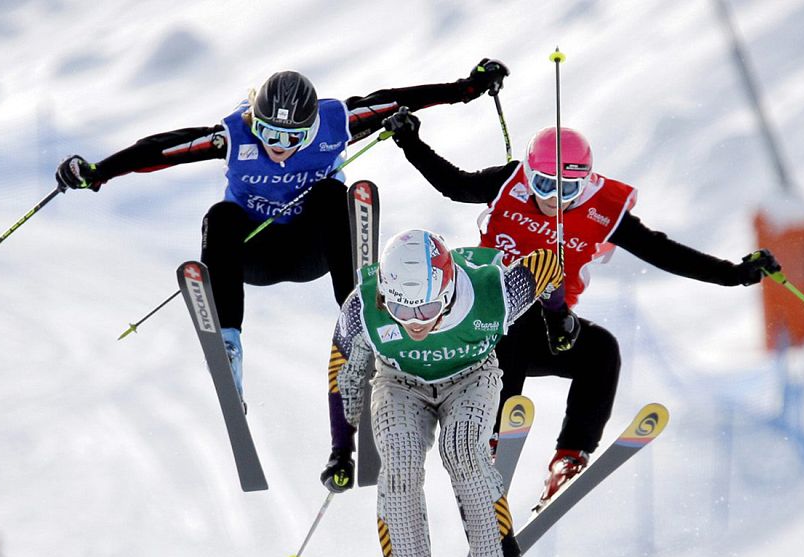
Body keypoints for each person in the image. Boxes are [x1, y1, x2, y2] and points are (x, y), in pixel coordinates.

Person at [382, 111, 779, 505]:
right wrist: (410, 141)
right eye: (543, 184)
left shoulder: (604, 210)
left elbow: (661, 251)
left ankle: (569, 457)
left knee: (602, 350)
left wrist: (733, 274)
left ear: (586, 182)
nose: (554, 198)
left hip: (552, 324)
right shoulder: (508, 183)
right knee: (516, 320)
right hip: (481, 324)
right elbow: (455, 184)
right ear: (527, 173)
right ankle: (489, 437)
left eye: (567, 189)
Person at [53, 61, 509, 395]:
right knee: (219, 217)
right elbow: (160, 148)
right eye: (270, 135)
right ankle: (229, 344)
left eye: (295, 139)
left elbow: (400, 96)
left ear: (313, 128)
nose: (281, 149)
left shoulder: (340, 122)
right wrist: (98, 171)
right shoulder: (233, 135)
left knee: (334, 196)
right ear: (255, 122)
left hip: (314, 249)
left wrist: (467, 87)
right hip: (255, 254)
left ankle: (361, 325)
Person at [320, 229, 565, 557]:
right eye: (399, 309)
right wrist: (341, 448)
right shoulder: (364, 304)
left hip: (471, 377)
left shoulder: (494, 293)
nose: (416, 322)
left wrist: (559, 315)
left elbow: (550, 264)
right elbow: (345, 368)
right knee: (396, 464)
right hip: (399, 382)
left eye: (429, 308)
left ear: (448, 290)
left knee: (462, 452)